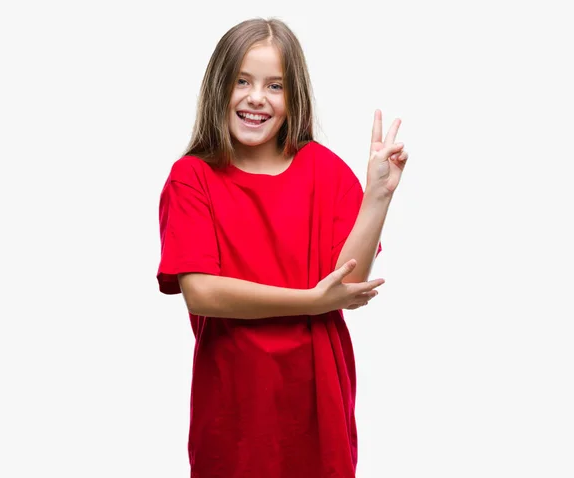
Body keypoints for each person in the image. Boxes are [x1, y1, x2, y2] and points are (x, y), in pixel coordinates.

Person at [156, 16, 409, 478]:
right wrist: (311, 302)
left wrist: (377, 196)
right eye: (243, 81)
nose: (257, 97)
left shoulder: (324, 171)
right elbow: (200, 292)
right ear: (219, 88)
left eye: (275, 86)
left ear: (293, 99)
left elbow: (347, 282)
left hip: (318, 405)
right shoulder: (192, 177)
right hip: (234, 410)